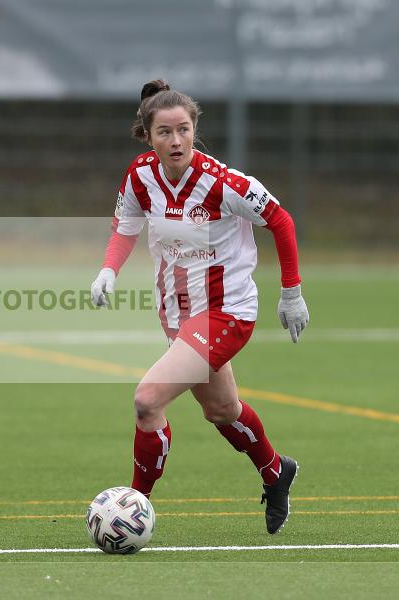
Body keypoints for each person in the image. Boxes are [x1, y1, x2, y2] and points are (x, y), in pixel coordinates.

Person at [90, 79, 310, 535]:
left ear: (195, 131)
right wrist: (108, 270)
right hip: (177, 314)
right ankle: (276, 471)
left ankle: (132, 509)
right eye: (165, 132)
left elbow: (281, 221)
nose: (176, 141)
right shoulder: (140, 175)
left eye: (184, 130)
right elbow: (125, 227)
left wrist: (291, 292)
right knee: (223, 411)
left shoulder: (222, 183)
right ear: (148, 135)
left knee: (147, 401)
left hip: (227, 311)